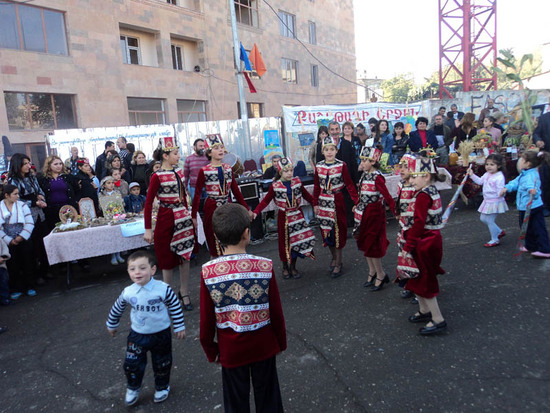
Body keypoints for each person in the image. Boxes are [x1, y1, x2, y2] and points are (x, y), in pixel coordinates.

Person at [199, 203, 286, 413]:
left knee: (235, 402)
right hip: (263, 345)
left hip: (230, 349)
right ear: (247, 233)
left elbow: (206, 320)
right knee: (269, 398)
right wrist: (280, 342)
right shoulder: (264, 266)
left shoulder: (209, 272)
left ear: (217, 235)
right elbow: (276, 310)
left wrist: (212, 351)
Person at [106, 250, 186, 406]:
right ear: (128, 271)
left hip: (161, 334)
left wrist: (179, 325)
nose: (137, 272)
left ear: (153, 270)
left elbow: (175, 305)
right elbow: (118, 308)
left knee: (162, 362)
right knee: (132, 364)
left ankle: (162, 387)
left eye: (142, 268)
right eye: (132, 269)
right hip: (138, 335)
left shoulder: (163, 288)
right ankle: (133, 387)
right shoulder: (128, 292)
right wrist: (112, 324)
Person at [396, 155, 447, 335]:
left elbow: (418, 223)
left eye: (414, 177)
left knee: (425, 279)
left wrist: (408, 246)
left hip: (424, 242)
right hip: (428, 240)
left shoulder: (423, 196)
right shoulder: (430, 191)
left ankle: (438, 318)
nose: (410, 180)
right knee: (416, 276)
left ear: (425, 176)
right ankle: (425, 310)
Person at [144, 137, 196, 310]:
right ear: (165, 156)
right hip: (165, 217)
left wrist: (190, 216)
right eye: (175, 153)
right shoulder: (156, 176)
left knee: (185, 255)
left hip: (182, 217)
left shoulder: (180, 173)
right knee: (166, 258)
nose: (178, 156)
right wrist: (148, 229)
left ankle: (185, 292)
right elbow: (149, 202)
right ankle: (168, 295)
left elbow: (185, 196)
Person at [253, 157, 316, 279]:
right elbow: (265, 201)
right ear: (281, 172)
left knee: (296, 241)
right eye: (286, 171)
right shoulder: (275, 186)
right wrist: (256, 211)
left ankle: (293, 267)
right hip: (284, 216)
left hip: (297, 214)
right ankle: (284, 267)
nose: (289, 173)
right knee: (284, 242)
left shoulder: (297, 182)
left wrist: (316, 204)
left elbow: (307, 196)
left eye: (291, 170)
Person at [191, 134, 252, 259]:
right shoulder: (204, 170)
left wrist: (247, 208)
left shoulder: (228, 168)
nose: (220, 150)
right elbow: (197, 194)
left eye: (221, 147)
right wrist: (194, 216)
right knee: (213, 242)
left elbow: (235, 190)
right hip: (211, 208)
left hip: (227, 206)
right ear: (209, 153)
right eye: (216, 148)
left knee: (231, 237)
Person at [313, 135, 358, 278]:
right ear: (322, 151)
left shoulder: (341, 165)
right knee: (327, 233)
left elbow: (349, 184)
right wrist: (315, 203)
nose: (329, 152)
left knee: (338, 232)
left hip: (337, 200)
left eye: (332, 149)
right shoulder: (319, 166)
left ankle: (339, 262)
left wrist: (357, 201)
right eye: (327, 150)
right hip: (323, 201)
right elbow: (316, 186)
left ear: (336, 150)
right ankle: (333, 257)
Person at [353, 146, 396, 291]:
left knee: (373, 245)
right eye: (362, 160)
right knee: (365, 243)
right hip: (363, 212)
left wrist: (396, 211)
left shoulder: (377, 177)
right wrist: (358, 204)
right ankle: (372, 271)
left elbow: (387, 195)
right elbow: (362, 193)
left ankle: (381, 273)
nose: (363, 162)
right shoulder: (365, 174)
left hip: (374, 214)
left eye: (366, 160)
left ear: (373, 161)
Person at [7, 153, 48, 284]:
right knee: (31, 248)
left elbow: (40, 191)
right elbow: (16, 200)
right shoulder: (13, 181)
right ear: (18, 165)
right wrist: (33, 202)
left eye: (29, 163)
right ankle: (34, 275)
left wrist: (41, 198)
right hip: (26, 216)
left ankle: (45, 270)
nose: (28, 166)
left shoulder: (31, 177)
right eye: (25, 164)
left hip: (39, 214)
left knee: (42, 243)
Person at [500, 151, 550, 258]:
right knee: (526, 227)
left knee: (538, 228)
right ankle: (531, 245)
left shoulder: (532, 175)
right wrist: (507, 188)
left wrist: (533, 191)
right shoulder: (524, 173)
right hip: (524, 206)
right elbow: (516, 182)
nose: (520, 162)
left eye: (522, 160)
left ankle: (545, 249)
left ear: (528, 164)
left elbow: (534, 187)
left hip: (533, 206)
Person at [0, 184, 35, 299]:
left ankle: (29, 286)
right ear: (6, 195)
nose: (17, 196)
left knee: (27, 262)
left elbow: (29, 222)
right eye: (15, 194)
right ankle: (16, 288)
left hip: (23, 238)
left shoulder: (22, 205)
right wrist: (9, 240)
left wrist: (21, 236)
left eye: (18, 193)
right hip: (8, 241)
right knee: (13, 265)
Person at [467, 154, 508, 247]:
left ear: (499, 166)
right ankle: (499, 231)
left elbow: (500, 190)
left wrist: (502, 193)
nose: (489, 167)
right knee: (483, 219)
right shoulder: (486, 174)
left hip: (495, 201)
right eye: (487, 164)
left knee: (489, 220)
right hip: (487, 201)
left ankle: (495, 239)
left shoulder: (499, 177)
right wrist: (472, 175)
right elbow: (480, 181)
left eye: (492, 164)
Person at [395, 154, 418, 301]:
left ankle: (419, 290)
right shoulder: (401, 184)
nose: (402, 170)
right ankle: (410, 284)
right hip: (403, 226)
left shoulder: (416, 186)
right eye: (401, 166)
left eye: (406, 167)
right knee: (405, 257)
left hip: (413, 227)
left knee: (416, 257)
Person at [38, 156, 80, 233]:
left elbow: (77, 190)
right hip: (51, 211)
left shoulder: (68, 177)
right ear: (49, 165)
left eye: (60, 164)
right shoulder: (43, 179)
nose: (59, 166)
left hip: (67, 209)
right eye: (56, 164)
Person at [98, 176, 125, 266]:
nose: (111, 185)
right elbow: (101, 206)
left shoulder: (117, 193)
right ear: (104, 185)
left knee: (118, 235)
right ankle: (113, 255)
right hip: (109, 218)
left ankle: (119, 254)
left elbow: (121, 204)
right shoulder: (101, 195)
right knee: (112, 237)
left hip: (118, 217)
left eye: (112, 183)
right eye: (108, 183)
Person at [0, 238, 11, 306]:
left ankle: (5, 299)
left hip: (1, 265)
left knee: (3, 283)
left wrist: (3, 256)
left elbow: (4, 248)